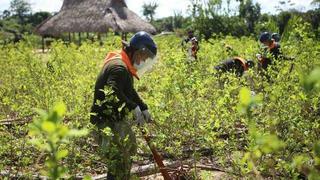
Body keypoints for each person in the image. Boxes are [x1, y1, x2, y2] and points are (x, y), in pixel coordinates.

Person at [90, 31, 157, 180]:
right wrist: (132, 107)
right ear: (137, 51)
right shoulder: (119, 67)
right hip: (104, 121)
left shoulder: (124, 63)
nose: (143, 62)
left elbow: (128, 90)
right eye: (143, 57)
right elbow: (112, 91)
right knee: (118, 160)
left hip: (114, 118)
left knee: (129, 149)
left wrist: (142, 106)